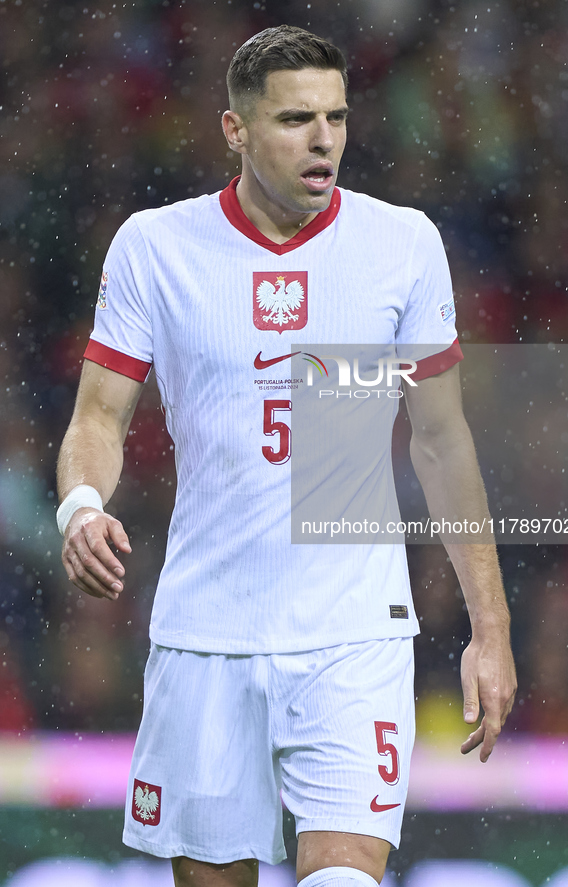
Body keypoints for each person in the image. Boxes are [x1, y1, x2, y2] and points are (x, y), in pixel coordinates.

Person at [56, 25, 517, 887]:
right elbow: (97, 417)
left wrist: (489, 631)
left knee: (343, 874)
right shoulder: (156, 247)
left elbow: (441, 437)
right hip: (207, 630)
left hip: (352, 631)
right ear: (233, 130)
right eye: (296, 119)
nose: (324, 140)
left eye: (336, 117)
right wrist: (82, 505)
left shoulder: (400, 244)